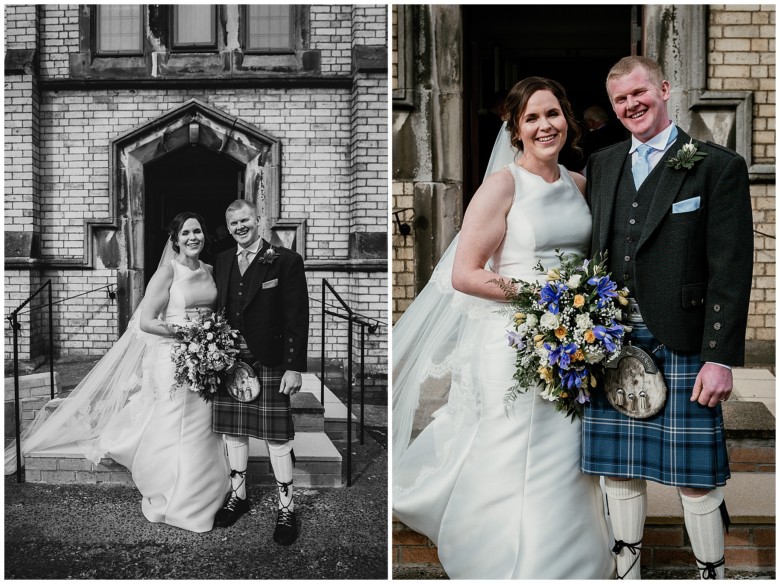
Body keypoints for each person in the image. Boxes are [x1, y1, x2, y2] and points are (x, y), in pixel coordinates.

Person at [392, 77, 615, 579]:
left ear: (568, 120)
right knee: (509, 449)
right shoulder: (502, 186)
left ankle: (573, 564)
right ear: (515, 130)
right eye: (531, 118)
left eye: (552, 114)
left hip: (572, 342)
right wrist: (542, 298)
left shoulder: (580, 185)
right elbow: (465, 274)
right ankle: (499, 562)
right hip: (513, 341)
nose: (544, 126)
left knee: (567, 456)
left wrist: (584, 312)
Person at [582, 56, 753, 579]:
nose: (631, 105)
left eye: (639, 93)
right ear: (613, 107)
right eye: (620, 100)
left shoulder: (715, 164)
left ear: (663, 87)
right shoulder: (603, 163)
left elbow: (730, 267)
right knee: (619, 466)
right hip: (613, 337)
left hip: (683, 339)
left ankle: (710, 571)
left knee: (695, 476)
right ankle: (627, 570)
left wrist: (719, 359)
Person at [9, 212, 232, 534]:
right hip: (174, 358)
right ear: (176, 239)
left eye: (197, 231)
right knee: (174, 421)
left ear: (204, 235)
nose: (193, 237)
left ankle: (208, 490)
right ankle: (173, 493)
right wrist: (189, 334)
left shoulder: (211, 270)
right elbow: (146, 321)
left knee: (204, 425)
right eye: (185, 233)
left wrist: (212, 337)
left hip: (205, 356)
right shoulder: (167, 273)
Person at [210, 199, 309, 546]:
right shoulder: (221, 261)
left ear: (258, 220)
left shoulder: (286, 261)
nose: (240, 227)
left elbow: (297, 317)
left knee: (277, 438)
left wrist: (294, 367)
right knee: (233, 433)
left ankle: (287, 507)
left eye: (245, 221)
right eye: (234, 222)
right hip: (229, 364)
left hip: (269, 362)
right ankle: (239, 496)